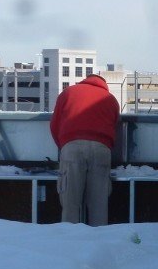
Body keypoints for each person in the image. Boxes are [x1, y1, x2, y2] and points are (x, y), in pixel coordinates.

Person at [50, 73, 120, 225]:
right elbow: (115, 126)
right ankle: (98, 243)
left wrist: (64, 146)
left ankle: (71, 244)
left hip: (72, 147)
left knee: (70, 204)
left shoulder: (68, 93)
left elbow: (54, 125)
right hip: (102, 149)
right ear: (104, 85)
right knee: (99, 206)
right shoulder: (111, 99)